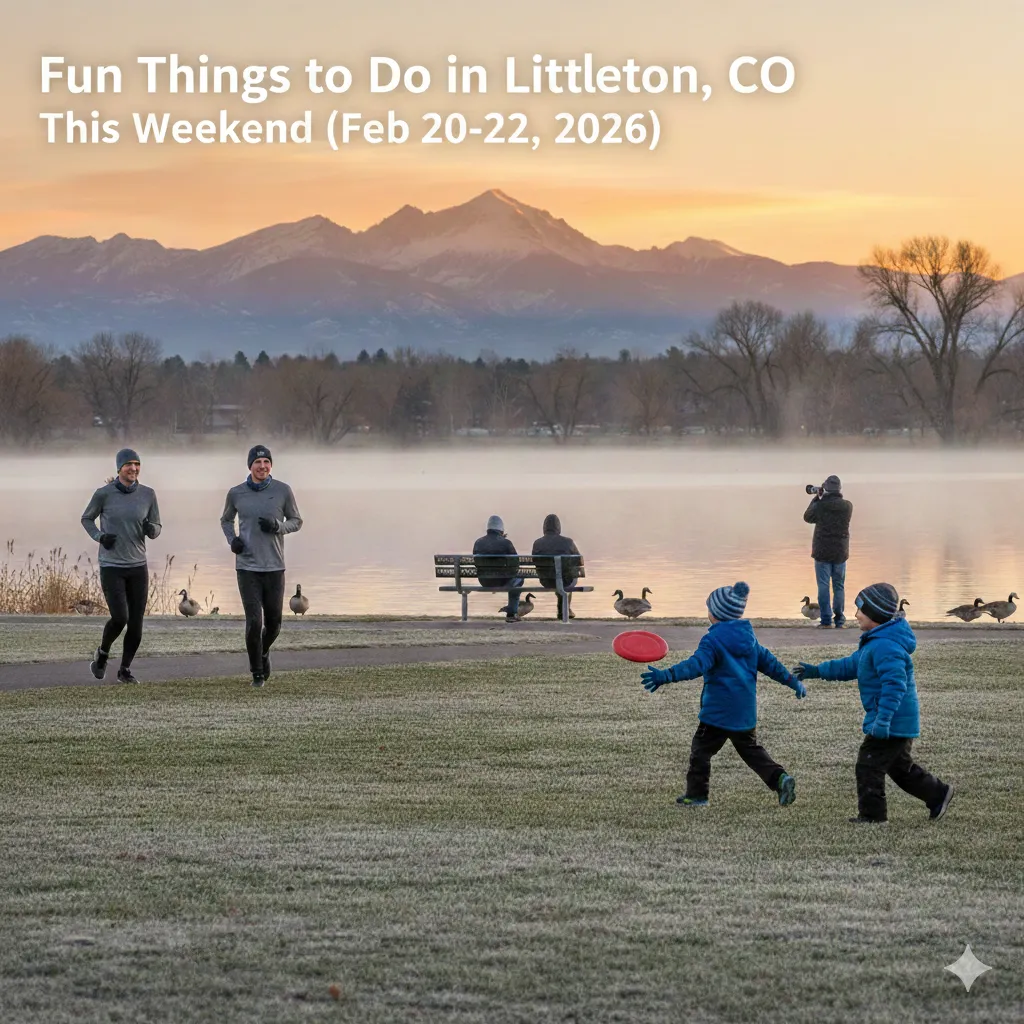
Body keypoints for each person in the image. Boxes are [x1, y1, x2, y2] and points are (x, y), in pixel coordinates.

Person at [793, 583, 954, 825]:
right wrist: (816, 671)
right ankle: (938, 793)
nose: (856, 615)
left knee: (868, 764)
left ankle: (873, 817)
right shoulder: (875, 642)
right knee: (900, 768)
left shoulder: (886, 647)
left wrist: (883, 720)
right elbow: (849, 666)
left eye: (860, 610)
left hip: (890, 722)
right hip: (891, 721)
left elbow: (895, 686)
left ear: (875, 615)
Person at [641, 581, 805, 808]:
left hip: (717, 713)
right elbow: (772, 665)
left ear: (716, 614)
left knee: (701, 751)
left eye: (709, 607)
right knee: (752, 752)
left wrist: (665, 676)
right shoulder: (750, 639)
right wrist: (793, 682)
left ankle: (697, 795)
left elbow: (696, 665)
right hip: (744, 713)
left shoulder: (712, 640)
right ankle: (779, 778)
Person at [220, 444, 302, 687]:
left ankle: (263, 652)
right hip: (247, 567)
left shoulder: (283, 491)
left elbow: (296, 521)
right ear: (250, 466)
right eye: (258, 463)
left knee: (274, 624)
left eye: (266, 462)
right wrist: (232, 540)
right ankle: (257, 673)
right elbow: (225, 520)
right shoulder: (236, 493)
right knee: (254, 622)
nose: (262, 466)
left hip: (275, 566)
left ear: (271, 466)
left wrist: (278, 526)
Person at [80, 447, 161, 684]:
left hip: (137, 566)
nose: (133, 469)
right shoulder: (103, 494)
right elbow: (86, 518)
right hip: (112, 565)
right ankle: (102, 654)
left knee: (136, 624)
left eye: (137, 465)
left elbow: (157, 527)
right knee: (120, 617)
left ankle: (124, 670)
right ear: (119, 468)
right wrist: (99, 536)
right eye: (129, 465)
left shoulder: (148, 494)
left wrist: (150, 529)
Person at [803, 474, 853, 628]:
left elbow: (807, 517)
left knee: (823, 585)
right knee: (839, 586)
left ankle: (826, 621)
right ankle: (839, 620)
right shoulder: (847, 506)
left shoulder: (821, 505)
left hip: (822, 551)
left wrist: (816, 498)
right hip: (840, 551)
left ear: (825, 488)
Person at [472, 515, 523, 623]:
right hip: (502, 581)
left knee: (515, 578)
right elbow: (516, 564)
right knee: (519, 579)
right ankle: (511, 614)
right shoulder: (506, 543)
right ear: (501, 529)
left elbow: (476, 563)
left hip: (484, 581)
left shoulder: (478, 543)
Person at [531, 514, 581, 621]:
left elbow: (535, 561)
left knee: (558, 577)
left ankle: (563, 610)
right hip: (566, 580)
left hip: (546, 580)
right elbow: (579, 560)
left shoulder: (537, 543)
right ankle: (565, 610)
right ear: (558, 527)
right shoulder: (568, 542)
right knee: (567, 577)